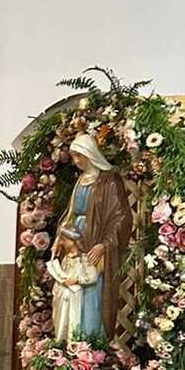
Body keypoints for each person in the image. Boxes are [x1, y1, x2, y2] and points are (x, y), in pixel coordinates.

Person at [60, 133, 133, 340]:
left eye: (79, 156)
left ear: (90, 154)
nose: (76, 162)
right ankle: (74, 339)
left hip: (96, 240)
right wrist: (61, 237)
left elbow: (121, 217)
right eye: (73, 157)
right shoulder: (81, 181)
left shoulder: (109, 181)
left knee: (92, 289)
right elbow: (71, 213)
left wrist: (105, 244)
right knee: (74, 289)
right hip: (75, 240)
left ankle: (92, 340)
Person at [46, 226, 103, 342]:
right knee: (62, 322)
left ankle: (74, 344)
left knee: (74, 322)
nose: (61, 243)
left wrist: (77, 280)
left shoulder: (84, 259)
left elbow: (93, 277)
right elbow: (58, 270)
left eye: (63, 240)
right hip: (64, 297)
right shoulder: (66, 259)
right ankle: (61, 342)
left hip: (76, 297)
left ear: (71, 241)